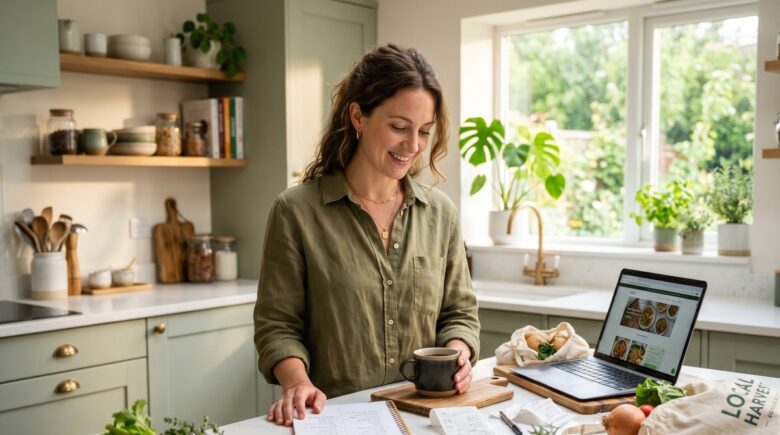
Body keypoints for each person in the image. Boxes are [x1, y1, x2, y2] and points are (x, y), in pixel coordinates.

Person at [254, 43, 480, 427]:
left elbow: (459, 312)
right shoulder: (296, 212)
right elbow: (278, 326)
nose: (413, 146)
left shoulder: (440, 213)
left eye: (424, 131)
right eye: (398, 127)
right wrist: (298, 384)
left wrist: (457, 354)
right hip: (336, 418)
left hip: (424, 416)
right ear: (358, 116)